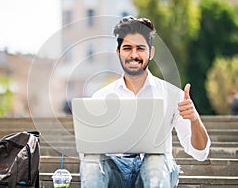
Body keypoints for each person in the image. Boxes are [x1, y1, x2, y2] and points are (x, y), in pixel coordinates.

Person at [80, 16, 211, 187]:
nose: (134, 55)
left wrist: (194, 119)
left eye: (140, 48)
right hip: (116, 173)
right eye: (127, 48)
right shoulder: (101, 97)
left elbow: (200, 153)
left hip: (157, 170)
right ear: (118, 52)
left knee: (154, 160)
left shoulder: (173, 95)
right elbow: (90, 154)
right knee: (91, 161)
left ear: (151, 52)